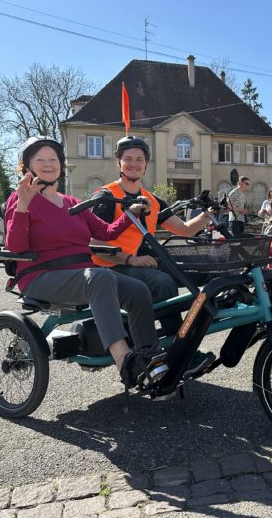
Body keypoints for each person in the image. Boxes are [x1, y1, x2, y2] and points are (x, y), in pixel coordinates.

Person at [4, 136, 165, 390]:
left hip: (81, 275)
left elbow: (107, 233)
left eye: (53, 159)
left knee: (137, 289)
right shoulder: (20, 198)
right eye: (40, 160)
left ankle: (151, 360)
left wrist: (130, 213)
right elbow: (15, 247)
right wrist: (23, 204)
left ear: (60, 164)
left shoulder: (72, 203)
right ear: (27, 166)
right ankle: (125, 361)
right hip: (41, 276)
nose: (48, 164)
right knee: (99, 276)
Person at [90, 135, 215, 376]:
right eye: (128, 159)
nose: (134, 164)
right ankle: (175, 352)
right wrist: (131, 260)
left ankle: (192, 335)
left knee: (199, 271)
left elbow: (185, 229)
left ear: (147, 163)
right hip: (107, 267)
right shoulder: (106, 196)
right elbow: (94, 244)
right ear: (118, 162)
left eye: (139, 159)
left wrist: (208, 214)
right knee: (162, 281)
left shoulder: (152, 201)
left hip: (134, 264)